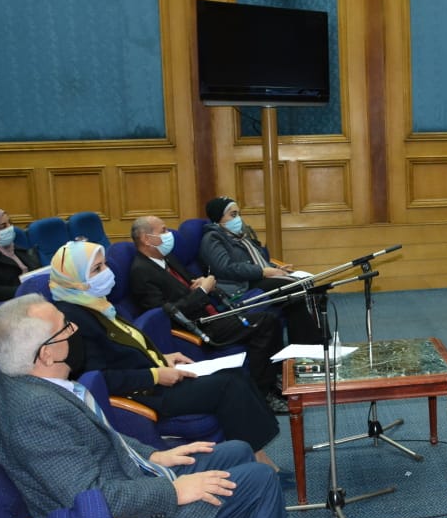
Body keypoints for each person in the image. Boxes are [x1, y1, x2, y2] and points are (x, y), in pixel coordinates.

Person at [0, 295, 326, 518]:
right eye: (66, 327)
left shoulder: (41, 384)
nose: (75, 331)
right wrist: (174, 491)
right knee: (258, 480)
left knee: (236, 451)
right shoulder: (35, 411)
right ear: (46, 353)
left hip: (128, 480)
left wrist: (153, 456)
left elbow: (103, 440)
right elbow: (91, 498)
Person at [47, 239, 284, 472]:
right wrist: (155, 374)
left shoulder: (95, 303)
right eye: (97, 269)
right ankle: (257, 459)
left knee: (235, 374)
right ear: (74, 280)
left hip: (153, 376)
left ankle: (256, 454)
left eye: (105, 264)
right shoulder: (74, 319)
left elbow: (127, 348)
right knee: (229, 384)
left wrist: (161, 356)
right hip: (142, 392)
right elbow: (100, 378)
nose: (107, 272)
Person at [129, 216, 288, 414]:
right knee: (265, 323)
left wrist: (202, 283)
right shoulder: (141, 271)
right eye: (163, 231)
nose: (169, 234)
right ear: (146, 239)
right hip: (196, 328)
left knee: (269, 317)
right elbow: (166, 315)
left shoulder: (166, 258)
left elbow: (189, 284)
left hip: (210, 312)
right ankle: (263, 394)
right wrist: (202, 291)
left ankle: (273, 380)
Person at [198, 197, 324, 345]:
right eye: (233, 215)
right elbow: (225, 268)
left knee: (306, 284)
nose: (238, 219)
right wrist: (263, 271)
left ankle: (316, 341)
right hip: (240, 289)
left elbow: (256, 260)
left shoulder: (240, 236)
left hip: (256, 279)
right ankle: (310, 344)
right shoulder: (212, 238)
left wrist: (276, 268)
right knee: (294, 288)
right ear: (218, 217)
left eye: (238, 214)